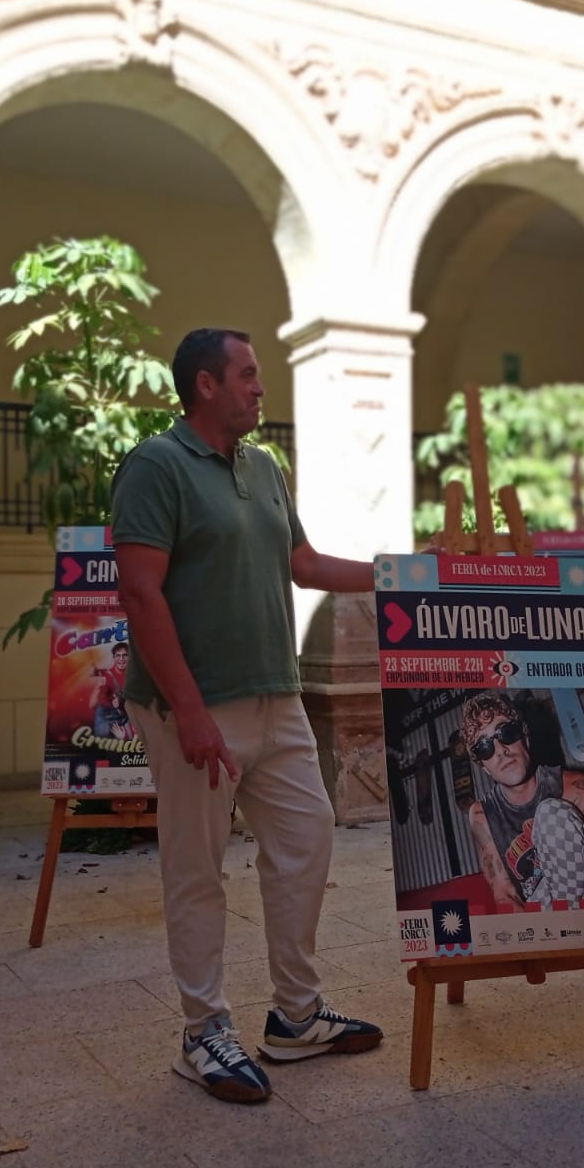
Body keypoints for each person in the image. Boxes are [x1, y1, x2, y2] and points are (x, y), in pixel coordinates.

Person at [112, 327, 383, 1105]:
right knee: (197, 869)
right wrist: (189, 711)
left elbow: (302, 564)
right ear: (206, 385)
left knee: (307, 838)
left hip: (277, 693)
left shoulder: (264, 468)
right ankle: (203, 1031)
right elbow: (139, 592)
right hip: (194, 706)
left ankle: (296, 1017)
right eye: (248, 375)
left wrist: (400, 575)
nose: (261, 389)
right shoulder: (155, 466)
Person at [462, 691, 584, 910]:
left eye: (506, 732)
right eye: (484, 747)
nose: (500, 750)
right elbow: (505, 894)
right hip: (544, 921)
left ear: (525, 737)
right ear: (484, 767)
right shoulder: (482, 815)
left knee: (551, 814)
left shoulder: (574, 788)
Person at [91, 642, 132, 739]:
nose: (121, 659)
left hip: (124, 716)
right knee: (104, 747)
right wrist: (98, 688)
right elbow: (92, 705)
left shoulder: (133, 676)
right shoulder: (107, 675)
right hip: (106, 718)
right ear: (114, 658)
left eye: (125, 655)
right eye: (118, 655)